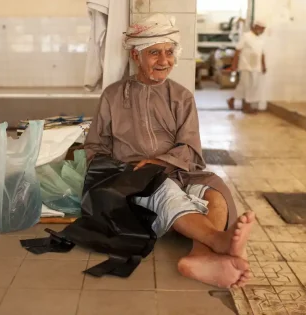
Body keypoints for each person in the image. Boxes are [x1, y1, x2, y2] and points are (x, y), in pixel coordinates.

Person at [84, 13, 255, 288]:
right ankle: (217, 240)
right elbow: (94, 146)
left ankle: (200, 257)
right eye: (154, 53)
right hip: (134, 177)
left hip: (179, 170)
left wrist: (161, 161)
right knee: (162, 187)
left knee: (215, 189)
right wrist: (118, 171)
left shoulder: (182, 96)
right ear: (136, 56)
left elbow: (190, 146)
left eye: (169, 52)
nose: (164, 61)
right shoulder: (113, 96)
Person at [227, 20, 267, 113]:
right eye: (262, 29)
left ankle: (232, 100)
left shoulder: (261, 39)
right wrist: (234, 64)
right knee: (247, 85)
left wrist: (263, 66)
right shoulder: (246, 36)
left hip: (256, 66)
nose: (263, 31)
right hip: (246, 65)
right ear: (256, 27)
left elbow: (262, 54)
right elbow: (238, 50)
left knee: (250, 86)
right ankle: (246, 106)